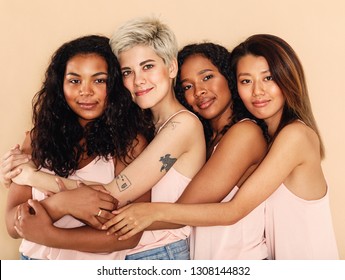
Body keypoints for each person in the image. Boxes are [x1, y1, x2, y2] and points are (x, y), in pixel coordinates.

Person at [100, 34, 339, 260]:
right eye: (187, 86)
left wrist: (148, 212)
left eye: (268, 78)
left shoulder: (289, 135)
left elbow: (233, 211)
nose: (257, 91)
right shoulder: (236, 139)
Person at [3, 17, 206, 260]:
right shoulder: (143, 120)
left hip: (156, 252)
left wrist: (34, 178)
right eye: (128, 72)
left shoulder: (180, 125)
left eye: (148, 66)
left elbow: (111, 196)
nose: (138, 79)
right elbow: (13, 221)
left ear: (171, 67)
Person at [101, 42, 269, 260]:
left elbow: (186, 210)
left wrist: (141, 213)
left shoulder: (245, 133)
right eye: (188, 86)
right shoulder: (210, 138)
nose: (199, 91)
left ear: (229, 77)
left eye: (207, 77)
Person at [5, 34, 153, 259]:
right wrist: (61, 204)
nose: (86, 91)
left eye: (99, 80)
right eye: (75, 80)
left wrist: (49, 233)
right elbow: (11, 225)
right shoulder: (37, 138)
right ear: (60, 85)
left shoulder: (130, 144)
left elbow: (128, 235)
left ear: (114, 85)